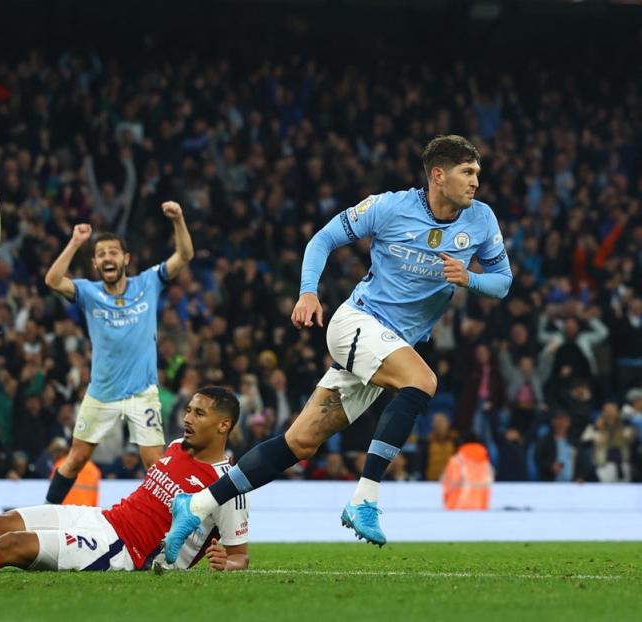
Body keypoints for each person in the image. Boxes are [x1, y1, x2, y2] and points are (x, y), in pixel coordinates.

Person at [164, 135, 511, 559]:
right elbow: (322, 240)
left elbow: (503, 282)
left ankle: (196, 504)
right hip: (356, 324)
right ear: (439, 175)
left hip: (389, 346)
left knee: (300, 443)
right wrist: (308, 292)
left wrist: (469, 279)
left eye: (477, 172)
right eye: (468, 172)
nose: (477, 181)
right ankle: (364, 498)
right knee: (422, 381)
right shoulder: (388, 207)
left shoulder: (481, 219)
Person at [0, 387, 248, 575]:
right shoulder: (175, 448)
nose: (187, 417)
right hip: (104, 519)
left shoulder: (228, 486)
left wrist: (224, 563)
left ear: (223, 425)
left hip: (125, 552)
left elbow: (240, 557)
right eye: (188, 409)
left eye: (199, 413)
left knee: (15, 544)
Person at [42, 200, 193, 504]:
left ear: (126, 258)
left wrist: (178, 219)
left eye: (113, 252)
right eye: (100, 255)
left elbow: (185, 255)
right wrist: (74, 242)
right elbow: (52, 280)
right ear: (95, 264)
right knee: (75, 459)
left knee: (155, 467)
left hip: (142, 393)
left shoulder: (148, 282)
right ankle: (46, 512)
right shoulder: (88, 292)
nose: (107, 258)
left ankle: (165, 529)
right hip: (101, 393)